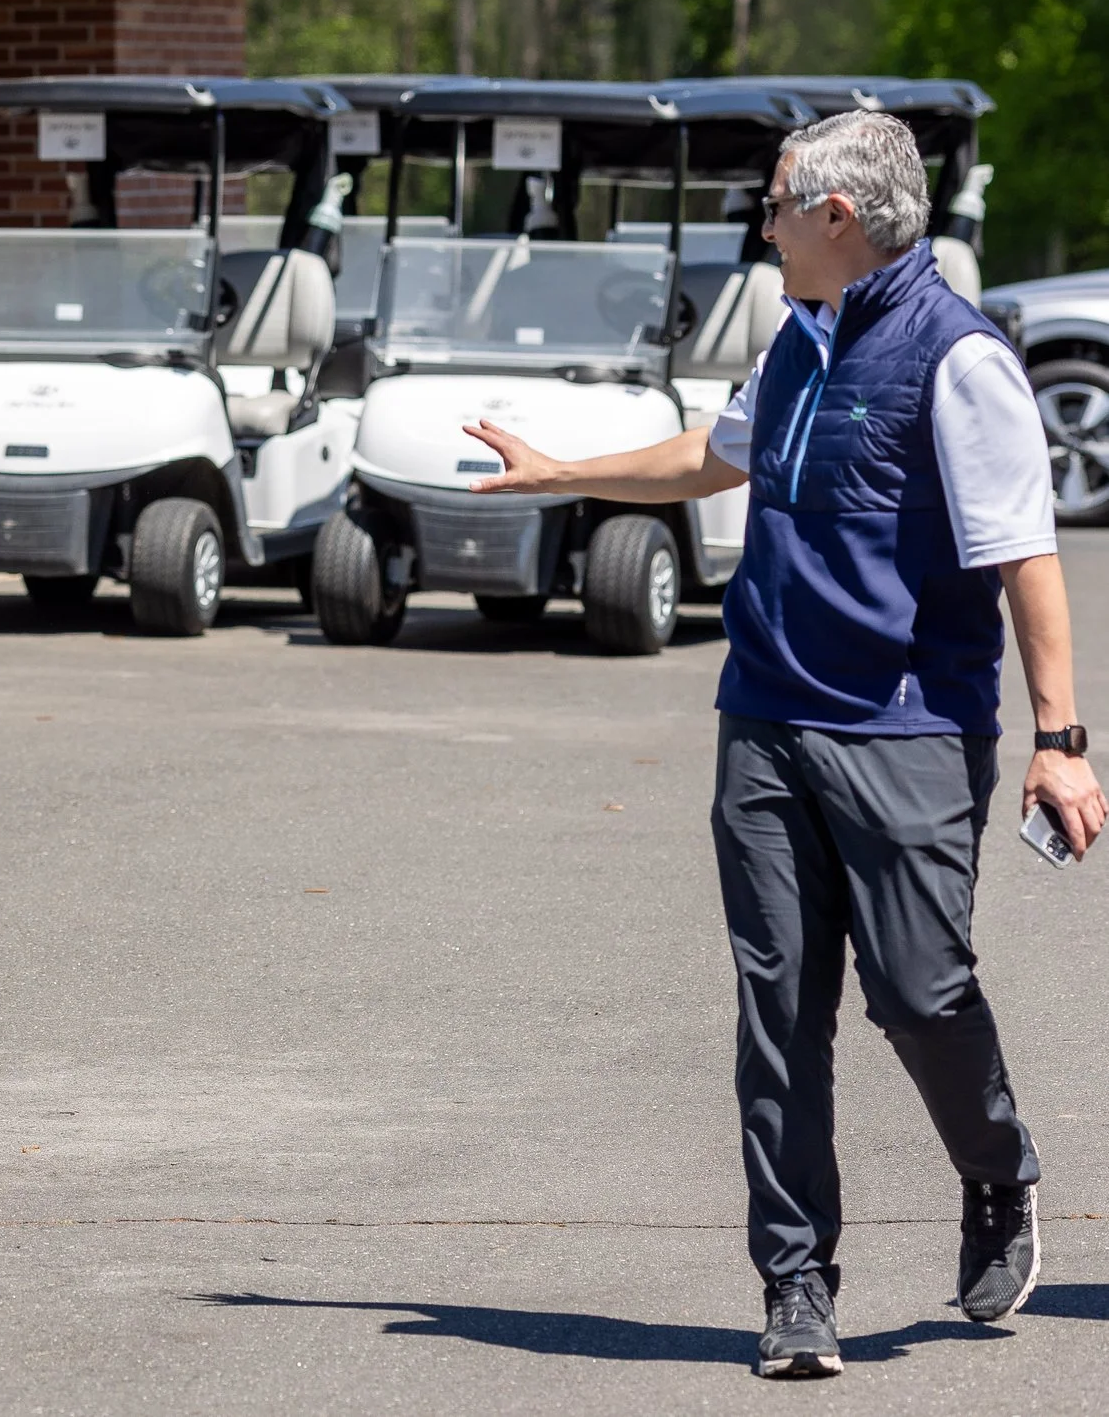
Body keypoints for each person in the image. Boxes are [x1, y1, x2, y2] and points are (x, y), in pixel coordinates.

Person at [467, 110, 1107, 1379]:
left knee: (919, 991)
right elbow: (715, 455)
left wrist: (1060, 739)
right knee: (779, 1009)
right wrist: (564, 475)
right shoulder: (797, 338)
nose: (755, 226)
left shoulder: (959, 359)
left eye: (770, 205)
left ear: (836, 218)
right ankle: (796, 1284)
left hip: (906, 730)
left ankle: (997, 1167)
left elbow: (1023, 552)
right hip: (762, 720)